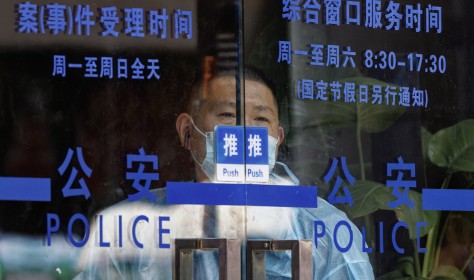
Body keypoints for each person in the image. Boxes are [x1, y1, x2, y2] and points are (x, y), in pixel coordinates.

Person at [75, 66, 374, 279]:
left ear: (278, 139)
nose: (245, 133)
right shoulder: (132, 228)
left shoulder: (326, 230)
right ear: (187, 132)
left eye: (260, 119)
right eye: (228, 115)